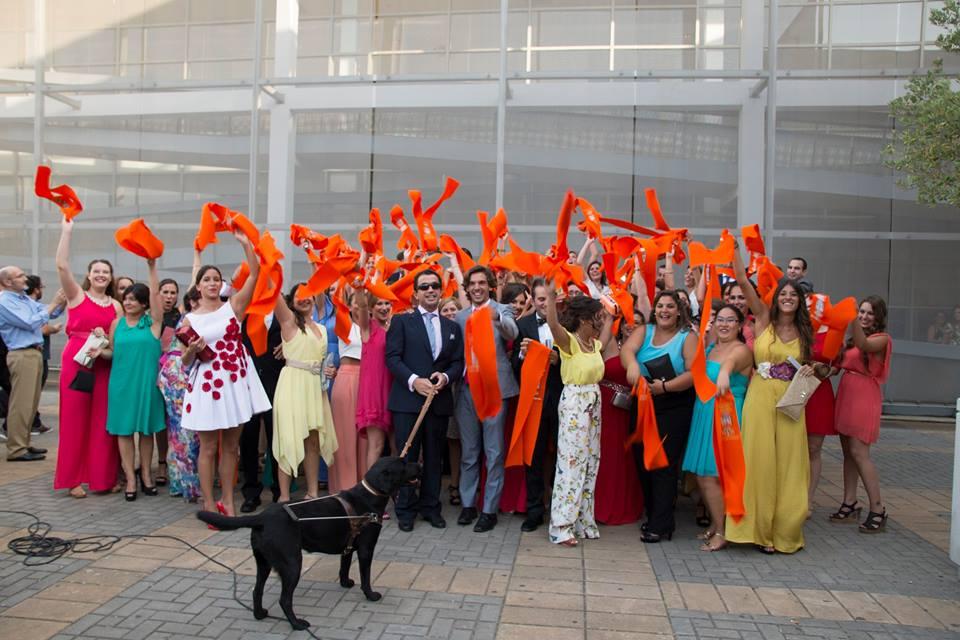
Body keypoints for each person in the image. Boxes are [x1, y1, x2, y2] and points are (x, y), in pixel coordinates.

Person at [724, 246, 815, 554]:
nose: (788, 298)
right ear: (775, 298)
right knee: (759, 461)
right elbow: (741, 278)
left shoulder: (805, 329)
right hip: (761, 396)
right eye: (783, 294)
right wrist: (734, 249)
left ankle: (784, 530)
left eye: (793, 295)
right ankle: (757, 531)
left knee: (790, 463)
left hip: (791, 400)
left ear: (800, 301)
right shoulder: (762, 318)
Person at [180, 232, 271, 518]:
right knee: (208, 447)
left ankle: (228, 501)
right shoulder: (190, 319)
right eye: (206, 279)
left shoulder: (233, 308)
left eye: (216, 279)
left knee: (231, 446)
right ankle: (209, 503)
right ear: (198, 286)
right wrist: (192, 350)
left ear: (222, 284)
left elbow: (255, 275)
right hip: (207, 383)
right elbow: (184, 360)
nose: (211, 283)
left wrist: (246, 244)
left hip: (234, 380)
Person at [385, 269, 464, 532]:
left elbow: (457, 362)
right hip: (408, 401)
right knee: (407, 458)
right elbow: (393, 358)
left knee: (433, 457)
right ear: (415, 293)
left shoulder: (452, 327)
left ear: (441, 291)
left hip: (438, 402)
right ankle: (405, 509)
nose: (430, 290)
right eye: (425, 287)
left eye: (434, 286)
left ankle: (431, 507)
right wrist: (413, 381)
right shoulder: (401, 322)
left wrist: (445, 376)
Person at [622, 290, 697, 543]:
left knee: (662, 462)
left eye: (670, 306)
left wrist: (665, 387)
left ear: (679, 311)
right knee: (642, 459)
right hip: (643, 401)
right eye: (660, 306)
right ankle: (656, 514)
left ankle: (661, 524)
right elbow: (628, 350)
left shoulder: (687, 337)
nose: (664, 310)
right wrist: (632, 365)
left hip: (673, 403)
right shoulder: (645, 330)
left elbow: (693, 373)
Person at [55, 218, 122, 497]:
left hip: (103, 363)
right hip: (77, 363)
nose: (101, 275)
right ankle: (72, 480)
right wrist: (66, 231)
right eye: (96, 271)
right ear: (89, 274)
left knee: (101, 421)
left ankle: (102, 477)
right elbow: (61, 265)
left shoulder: (117, 304)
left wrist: (105, 343)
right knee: (74, 419)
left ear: (110, 276)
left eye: (105, 271)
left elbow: (117, 339)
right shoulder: (76, 295)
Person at [681, 304, 752, 551]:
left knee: (713, 475)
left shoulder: (741, 350)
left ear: (740, 325)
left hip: (726, 416)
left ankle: (723, 531)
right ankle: (715, 522)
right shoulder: (712, 347)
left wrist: (724, 373)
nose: (724, 324)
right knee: (703, 475)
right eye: (720, 319)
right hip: (705, 412)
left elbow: (731, 363)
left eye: (730, 320)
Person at [455, 265, 519, 533]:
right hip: (466, 390)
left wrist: (496, 318)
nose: (477, 287)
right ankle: (468, 504)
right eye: (473, 283)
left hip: (495, 390)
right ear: (467, 288)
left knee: (493, 452)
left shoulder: (501, 310)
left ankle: (489, 509)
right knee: (469, 452)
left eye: (482, 283)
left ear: (490, 285)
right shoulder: (459, 317)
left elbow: (512, 333)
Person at [544, 283, 608, 546]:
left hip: (594, 403)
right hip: (574, 403)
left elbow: (609, 329)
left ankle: (583, 520)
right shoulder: (569, 342)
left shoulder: (593, 344)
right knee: (571, 463)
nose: (601, 321)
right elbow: (553, 325)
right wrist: (549, 298)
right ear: (585, 319)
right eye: (598, 317)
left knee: (591, 461)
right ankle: (561, 525)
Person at [100, 262, 166, 501]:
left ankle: (146, 475)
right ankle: (130, 477)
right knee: (124, 432)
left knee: (146, 432)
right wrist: (98, 352)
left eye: (134, 299)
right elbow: (112, 352)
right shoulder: (116, 324)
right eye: (126, 298)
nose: (128, 302)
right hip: (121, 385)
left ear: (144, 303)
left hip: (147, 385)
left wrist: (151, 267)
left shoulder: (153, 323)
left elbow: (157, 295)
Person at [830, 296, 893, 533]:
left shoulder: (882, 339)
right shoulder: (851, 341)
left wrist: (850, 316)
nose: (864, 317)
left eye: (869, 313)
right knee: (848, 453)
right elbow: (837, 366)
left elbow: (865, 345)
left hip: (864, 396)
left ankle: (878, 508)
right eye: (861, 312)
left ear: (878, 317)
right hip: (847, 393)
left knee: (860, 453)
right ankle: (850, 502)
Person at [272, 283, 337, 502]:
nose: (305, 299)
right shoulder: (288, 322)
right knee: (288, 439)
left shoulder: (322, 327)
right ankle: (283, 496)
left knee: (313, 442)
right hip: (292, 385)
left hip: (314, 388)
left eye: (309, 295)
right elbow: (273, 292)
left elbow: (321, 358)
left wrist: (329, 369)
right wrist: (267, 265)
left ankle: (312, 493)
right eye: (299, 296)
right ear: (291, 302)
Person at [511, 279, 564, 532]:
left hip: (562, 399)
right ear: (533, 300)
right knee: (533, 455)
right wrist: (523, 355)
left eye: (549, 298)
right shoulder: (523, 325)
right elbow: (513, 366)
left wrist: (559, 360)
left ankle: (560, 509)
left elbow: (582, 359)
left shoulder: (568, 323)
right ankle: (534, 511)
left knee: (562, 456)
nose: (545, 304)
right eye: (540, 299)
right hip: (533, 401)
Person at [0, 266, 65, 461]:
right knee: (21, 404)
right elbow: (30, 322)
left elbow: (47, 313)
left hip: (33, 354)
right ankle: (16, 449)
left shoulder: (23, 299)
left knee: (30, 404)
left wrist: (61, 302)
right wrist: (54, 304)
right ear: (8, 282)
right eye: (19, 276)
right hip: (21, 354)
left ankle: (24, 443)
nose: (24, 278)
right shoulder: (4, 301)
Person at [594, 305, 644, 526]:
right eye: (627, 321)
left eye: (637, 322)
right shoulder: (611, 342)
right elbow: (597, 351)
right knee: (603, 453)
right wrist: (608, 319)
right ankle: (598, 506)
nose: (631, 325)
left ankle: (621, 504)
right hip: (605, 405)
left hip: (630, 409)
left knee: (622, 455)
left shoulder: (645, 349)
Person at [239, 294, 283, 512]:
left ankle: (279, 491)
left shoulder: (282, 311)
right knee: (248, 439)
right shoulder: (244, 312)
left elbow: (296, 334)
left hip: (276, 383)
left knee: (277, 438)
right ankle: (250, 493)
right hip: (249, 384)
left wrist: (288, 345)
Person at [158, 286, 201, 502]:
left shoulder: (193, 316)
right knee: (184, 431)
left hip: (179, 372)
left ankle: (179, 482)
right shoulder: (191, 318)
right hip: (179, 374)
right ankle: (188, 484)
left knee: (181, 431)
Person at [328, 290, 367, 493]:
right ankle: (345, 489)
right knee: (344, 436)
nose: (360, 306)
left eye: (364, 303)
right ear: (349, 306)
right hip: (347, 377)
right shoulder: (344, 324)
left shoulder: (373, 327)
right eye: (356, 303)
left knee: (366, 438)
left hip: (368, 380)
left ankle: (365, 489)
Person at [355, 291, 393, 472]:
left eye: (387, 304)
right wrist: (358, 288)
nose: (384, 308)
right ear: (371, 307)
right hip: (375, 392)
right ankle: (369, 494)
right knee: (376, 445)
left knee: (398, 446)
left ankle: (398, 495)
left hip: (395, 390)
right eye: (379, 304)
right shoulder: (367, 327)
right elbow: (361, 305)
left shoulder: (396, 327)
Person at [805, 326, 839, 518]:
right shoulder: (795, 327)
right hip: (796, 386)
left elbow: (839, 362)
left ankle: (809, 498)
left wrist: (831, 369)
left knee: (813, 447)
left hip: (819, 389)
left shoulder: (831, 332)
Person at [25, 275, 63, 435]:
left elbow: (52, 313)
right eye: (41, 287)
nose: (42, 290)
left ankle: (32, 423)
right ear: (36, 289)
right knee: (28, 393)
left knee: (32, 393)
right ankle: (20, 426)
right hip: (33, 355)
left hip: (40, 354)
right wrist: (54, 329)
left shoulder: (34, 305)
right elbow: (42, 327)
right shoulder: (27, 306)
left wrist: (64, 300)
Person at [439, 296, 463, 506]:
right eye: (445, 310)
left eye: (453, 309)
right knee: (453, 440)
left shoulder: (468, 327)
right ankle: (454, 483)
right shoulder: (440, 334)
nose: (449, 313)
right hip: (449, 388)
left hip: (469, 386)